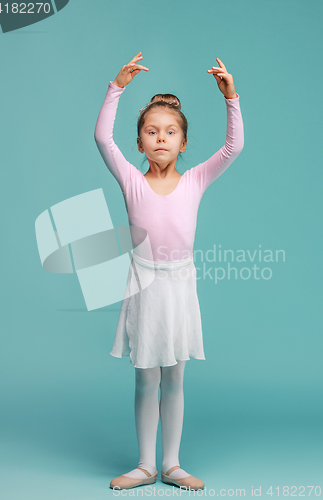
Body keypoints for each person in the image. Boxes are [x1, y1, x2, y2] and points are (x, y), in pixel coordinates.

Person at [94, 51, 244, 490]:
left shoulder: (196, 179)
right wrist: (115, 87)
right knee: (145, 376)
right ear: (140, 143)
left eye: (171, 132)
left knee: (174, 376)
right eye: (152, 132)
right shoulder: (130, 180)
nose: (161, 138)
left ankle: (172, 464)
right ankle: (145, 464)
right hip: (144, 283)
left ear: (182, 142)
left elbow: (234, 147)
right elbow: (103, 139)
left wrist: (230, 98)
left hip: (179, 284)